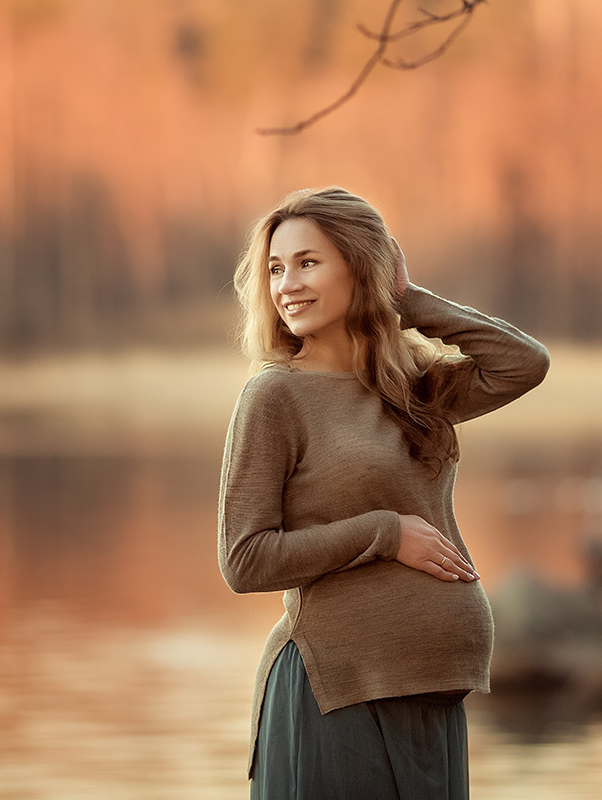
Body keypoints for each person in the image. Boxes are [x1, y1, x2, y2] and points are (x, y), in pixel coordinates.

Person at [217, 187, 550, 799]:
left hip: (432, 696)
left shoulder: (413, 386)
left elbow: (522, 363)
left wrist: (407, 300)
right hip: (337, 693)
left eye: (308, 262)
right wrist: (385, 534)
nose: (286, 284)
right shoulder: (274, 398)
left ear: (360, 267)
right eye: (274, 267)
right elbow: (245, 559)